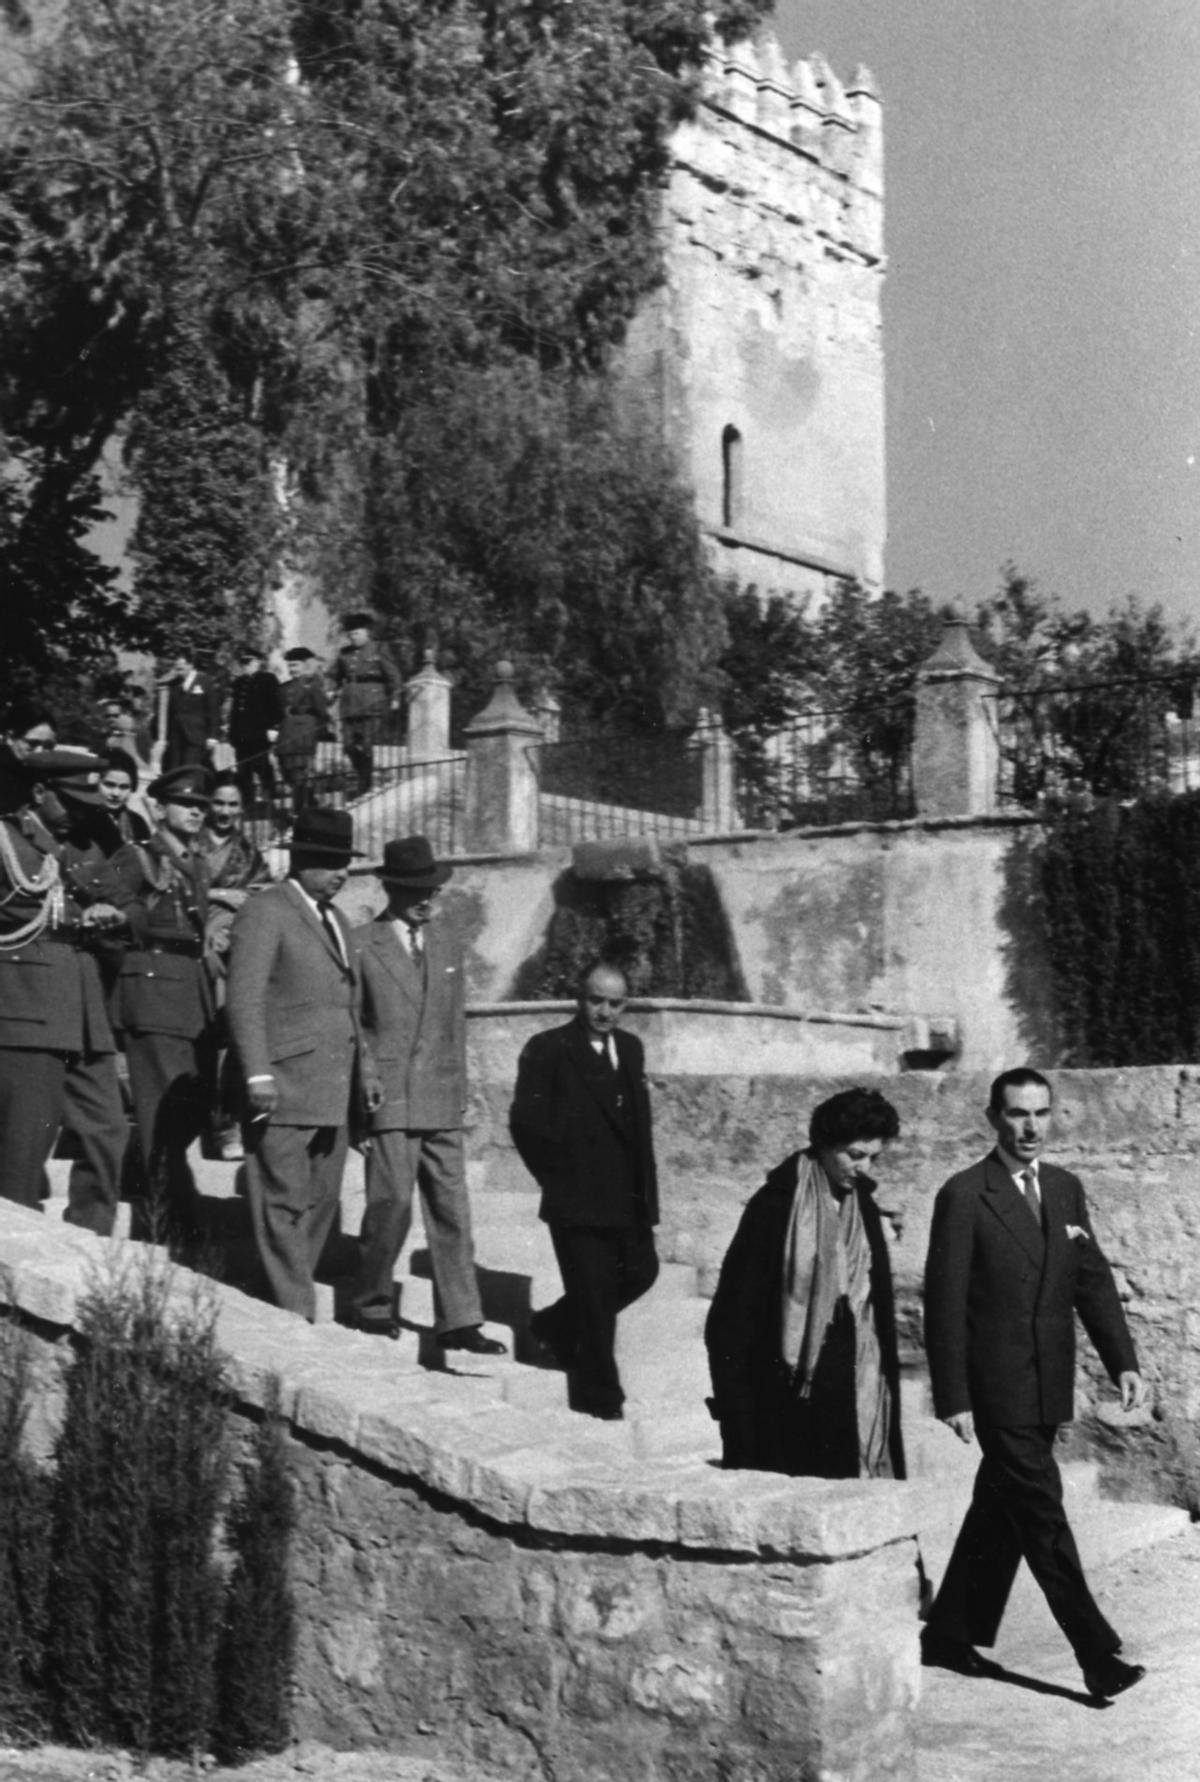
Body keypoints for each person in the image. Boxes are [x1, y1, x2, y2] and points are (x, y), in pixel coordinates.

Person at [920, 1067, 1148, 1702]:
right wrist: (954, 1396)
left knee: (1002, 1507)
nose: (1030, 1127)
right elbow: (944, 1302)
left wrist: (1121, 1360)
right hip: (998, 1390)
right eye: (1017, 1114)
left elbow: (1090, 1279)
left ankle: (949, 1633)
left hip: (1048, 1382)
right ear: (993, 1117)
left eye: (1041, 1114)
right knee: (1042, 1510)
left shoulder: (1066, 1188)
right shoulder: (966, 1193)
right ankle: (1096, 1654)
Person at [345, 835, 504, 1354]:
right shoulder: (362, 942)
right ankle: (371, 1302)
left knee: (452, 1207)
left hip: (440, 1091)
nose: (425, 898)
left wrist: (462, 1087)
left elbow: (455, 1023)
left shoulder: (446, 940)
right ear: (389, 887)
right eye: (414, 888)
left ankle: (460, 1318)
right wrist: (364, 1079)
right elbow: (354, 1023)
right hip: (388, 1093)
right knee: (390, 1203)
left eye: (431, 888)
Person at [226, 807, 379, 1320]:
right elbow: (243, 999)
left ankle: (283, 1297)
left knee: (321, 1202)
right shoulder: (266, 910)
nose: (342, 873)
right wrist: (257, 1072)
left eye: (346, 863)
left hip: (333, 1088)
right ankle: (297, 1313)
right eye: (332, 862)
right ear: (303, 859)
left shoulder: (336, 918)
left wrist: (367, 1073)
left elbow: (350, 1004)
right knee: (283, 1202)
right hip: (283, 1084)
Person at [704, 1087, 905, 1479]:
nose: (864, 1167)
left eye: (872, 1157)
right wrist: (736, 1414)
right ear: (825, 1145)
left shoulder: (861, 1202)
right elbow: (732, 1318)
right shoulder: (776, 1205)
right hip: (788, 1378)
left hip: (853, 1365)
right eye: (854, 1155)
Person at [510, 960, 659, 1420]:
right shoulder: (549, 1048)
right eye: (596, 1000)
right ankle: (600, 1398)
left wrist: (646, 1198)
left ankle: (554, 1323)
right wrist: (556, 1178)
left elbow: (637, 1128)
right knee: (595, 1300)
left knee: (642, 1272)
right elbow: (525, 1123)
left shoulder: (631, 1049)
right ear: (579, 997)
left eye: (615, 1003)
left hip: (626, 1197)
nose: (604, 1011)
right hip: (577, 1198)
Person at [0, 746, 129, 1233]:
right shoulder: (7, 842)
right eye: (72, 800)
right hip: (26, 1007)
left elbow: (131, 905)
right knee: (22, 1152)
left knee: (107, 1132)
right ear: (39, 792)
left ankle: (85, 1245)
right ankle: (14, 1275)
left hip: (83, 1011)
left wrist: (113, 917)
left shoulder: (85, 848)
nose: (82, 811)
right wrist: (80, 917)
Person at [113, 764, 217, 1244]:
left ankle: (159, 1198)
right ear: (159, 808)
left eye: (202, 806)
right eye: (186, 804)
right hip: (153, 994)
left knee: (188, 1110)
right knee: (160, 1113)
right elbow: (106, 908)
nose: (196, 813)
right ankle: (167, 1221)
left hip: (189, 995)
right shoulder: (139, 857)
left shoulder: (196, 862)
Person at [199, 773, 272, 1161]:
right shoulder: (190, 841)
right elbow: (173, 886)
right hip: (188, 945)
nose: (225, 812)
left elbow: (260, 895)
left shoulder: (248, 852)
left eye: (233, 805)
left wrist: (232, 917)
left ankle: (225, 1125)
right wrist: (217, 893)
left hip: (228, 950)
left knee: (229, 1036)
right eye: (219, 803)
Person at [331, 612, 401, 797]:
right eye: (350, 634)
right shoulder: (344, 654)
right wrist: (331, 690)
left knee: (367, 746)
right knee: (348, 746)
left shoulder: (379, 649)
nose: (353, 637)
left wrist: (395, 697)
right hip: (349, 705)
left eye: (357, 634)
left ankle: (365, 784)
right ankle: (364, 774)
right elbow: (335, 677)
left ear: (367, 632)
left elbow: (393, 675)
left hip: (372, 703)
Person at [276, 647, 330, 813]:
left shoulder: (312, 685)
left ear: (305, 665)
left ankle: (298, 811)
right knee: (287, 772)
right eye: (290, 666)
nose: (292, 669)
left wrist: (316, 731)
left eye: (296, 665)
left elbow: (322, 711)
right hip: (286, 734)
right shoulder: (283, 688)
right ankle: (312, 804)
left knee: (299, 775)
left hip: (304, 734)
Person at [227, 647, 284, 807]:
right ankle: (248, 804)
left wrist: (274, 727)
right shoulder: (238, 683)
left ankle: (271, 802)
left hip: (260, 735)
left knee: (263, 768)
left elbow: (275, 705)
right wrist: (232, 733)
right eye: (242, 662)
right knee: (243, 773)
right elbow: (235, 711)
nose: (245, 666)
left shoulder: (268, 679)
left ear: (258, 662)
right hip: (241, 736)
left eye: (248, 662)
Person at [161, 651, 221, 772]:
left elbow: (213, 710)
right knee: (173, 768)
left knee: (189, 768)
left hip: (196, 735)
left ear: (190, 665)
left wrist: (213, 736)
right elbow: (168, 710)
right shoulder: (174, 684)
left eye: (181, 669)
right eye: (176, 669)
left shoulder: (205, 682)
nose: (178, 672)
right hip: (176, 736)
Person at [94, 749, 152, 853]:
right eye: (109, 785)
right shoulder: (84, 820)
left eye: (124, 787)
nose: (116, 794)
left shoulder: (137, 824)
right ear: (96, 782)